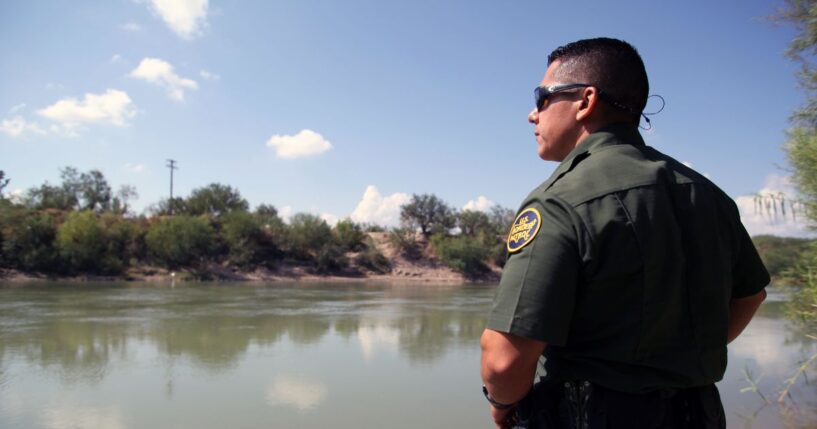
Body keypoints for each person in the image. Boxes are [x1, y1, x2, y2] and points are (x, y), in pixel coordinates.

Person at [479, 37, 769, 429]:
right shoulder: (709, 195)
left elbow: (503, 360)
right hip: (700, 413)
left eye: (542, 97)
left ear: (585, 100)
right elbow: (751, 294)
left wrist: (502, 405)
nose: (533, 115)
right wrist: (680, 359)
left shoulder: (561, 200)